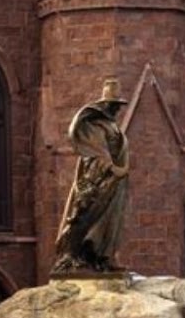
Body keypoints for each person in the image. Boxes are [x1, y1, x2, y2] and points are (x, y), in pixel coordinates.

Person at [51, 77, 131, 274]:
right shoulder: (95, 125)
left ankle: (104, 256)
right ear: (105, 105)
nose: (116, 109)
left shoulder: (112, 126)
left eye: (118, 105)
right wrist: (112, 169)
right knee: (88, 215)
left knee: (112, 219)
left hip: (117, 181)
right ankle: (81, 255)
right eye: (113, 105)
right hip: (100, 179)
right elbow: (96, 152)